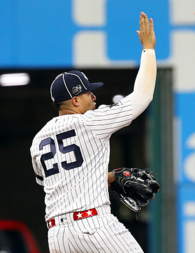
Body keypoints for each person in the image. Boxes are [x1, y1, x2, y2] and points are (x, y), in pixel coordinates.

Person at [30, 12, 156, 253]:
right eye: (89, 93)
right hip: (93, 226)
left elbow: (61, 182)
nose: (94, 97)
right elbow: (143, 96)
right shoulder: (90, 122)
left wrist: (109, 177)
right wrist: (148, 49)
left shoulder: (38, 140)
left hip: (57, 236)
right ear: (75, 100)